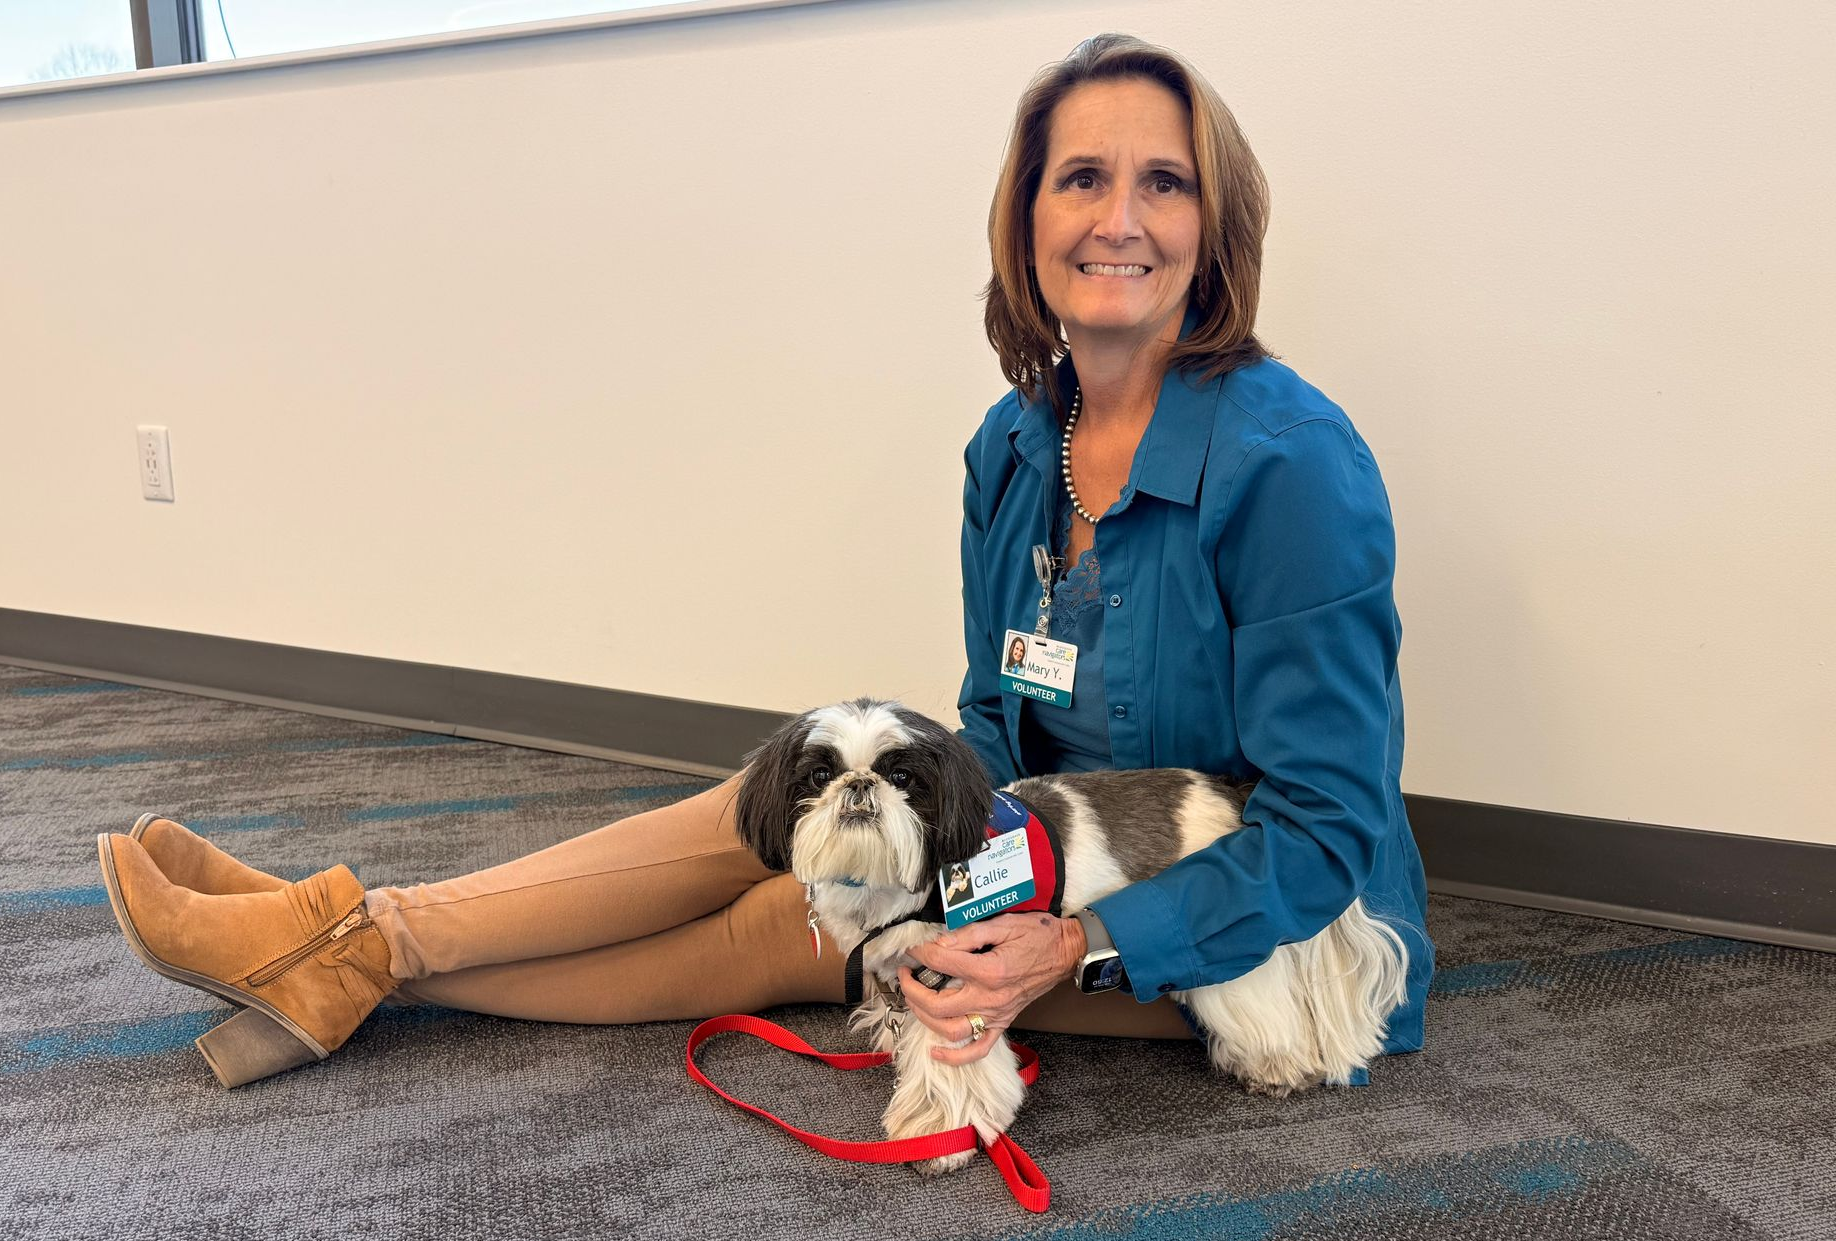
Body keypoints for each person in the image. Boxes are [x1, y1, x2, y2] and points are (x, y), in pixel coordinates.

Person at [96, 33, 1430, 1091]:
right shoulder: (1014, 447)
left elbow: (1325, 832)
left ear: (1216, 222)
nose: (1118, 216)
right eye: (1082, 176)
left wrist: (1070, 940)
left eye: (1165, 180)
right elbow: (989, 717)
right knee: (776, 816)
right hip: (1045, 854)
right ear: (1029, 215)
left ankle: (337, 948)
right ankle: (349, 944)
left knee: (793, 930)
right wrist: (947, 853)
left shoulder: (1292, 468)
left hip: (1253, 937)